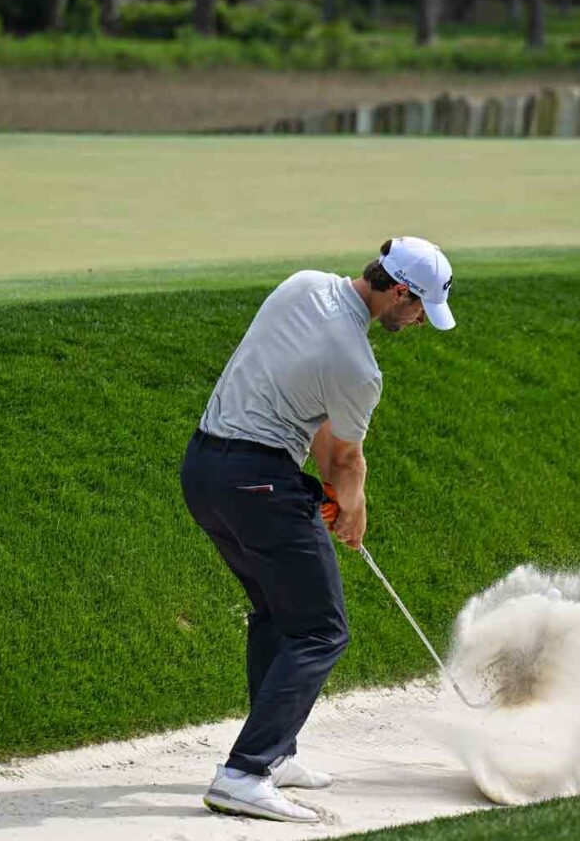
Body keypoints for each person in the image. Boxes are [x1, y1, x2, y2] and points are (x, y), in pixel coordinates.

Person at [179, 236, 455, 822]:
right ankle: (244, 773)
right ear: (400, 292)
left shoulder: (302, 283)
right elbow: (344, 462)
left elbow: (322, 429)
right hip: (257, 483)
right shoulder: (360, 367)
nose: (420, 323)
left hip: (204, 471)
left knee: (278, 615)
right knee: (322, 630)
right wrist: (352, 511)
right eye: (420, 309)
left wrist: (338, 498)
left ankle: (276, 754)